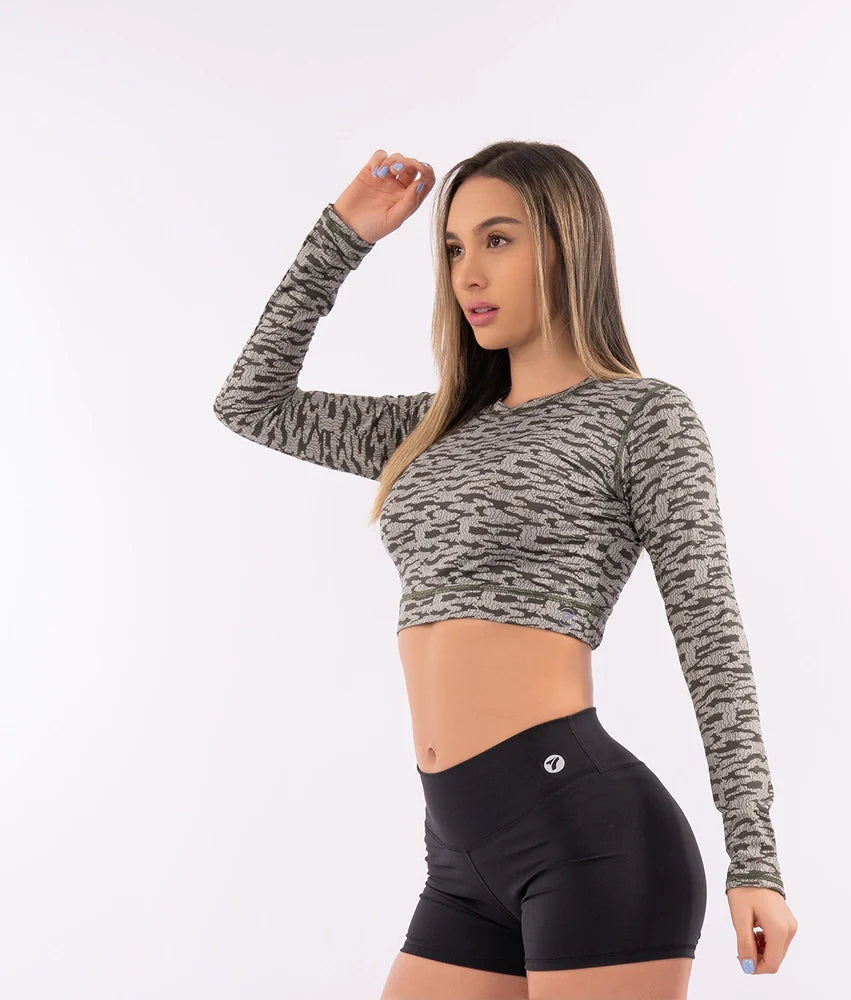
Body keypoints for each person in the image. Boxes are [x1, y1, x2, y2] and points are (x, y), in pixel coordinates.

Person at [213, 141, 798, 999]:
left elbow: (711, 637)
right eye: (454, 248)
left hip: (589, 839)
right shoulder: (433, 426)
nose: (468, 274)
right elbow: (250, 403)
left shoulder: (642, 418)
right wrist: (345, 233)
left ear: (565, 246)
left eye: (498, 240)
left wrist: (755, 859)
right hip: (458, 861)